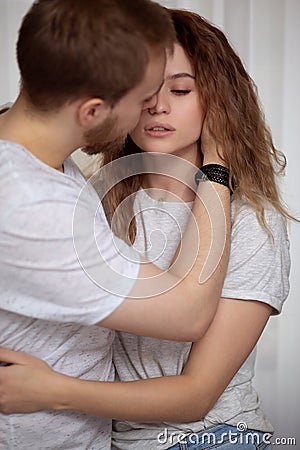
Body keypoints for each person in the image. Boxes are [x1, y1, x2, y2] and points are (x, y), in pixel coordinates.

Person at [0, 7, 293, 450]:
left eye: (180, 89)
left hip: (212, 438)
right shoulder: (95, 198)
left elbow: (195, 395)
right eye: (146, 92)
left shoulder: (250, 219)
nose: (157, 105)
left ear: (218, 100)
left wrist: (53, 390)